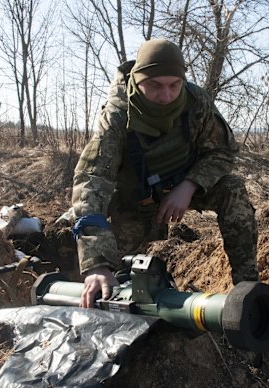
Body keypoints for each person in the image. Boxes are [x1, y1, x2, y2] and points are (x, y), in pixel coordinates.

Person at [71, 38, 258, 308]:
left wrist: (190, 185)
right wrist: (96, 264)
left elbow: (223, 152)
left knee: (233, 189)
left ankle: (248, 287)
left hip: (183, 185)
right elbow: (91, 180)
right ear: (137, 80)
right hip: (135, 199)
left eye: (174, 85)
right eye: (155, 86)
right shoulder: (117, 117)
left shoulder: (196, 103)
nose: (166, 96)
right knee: (127, 280)